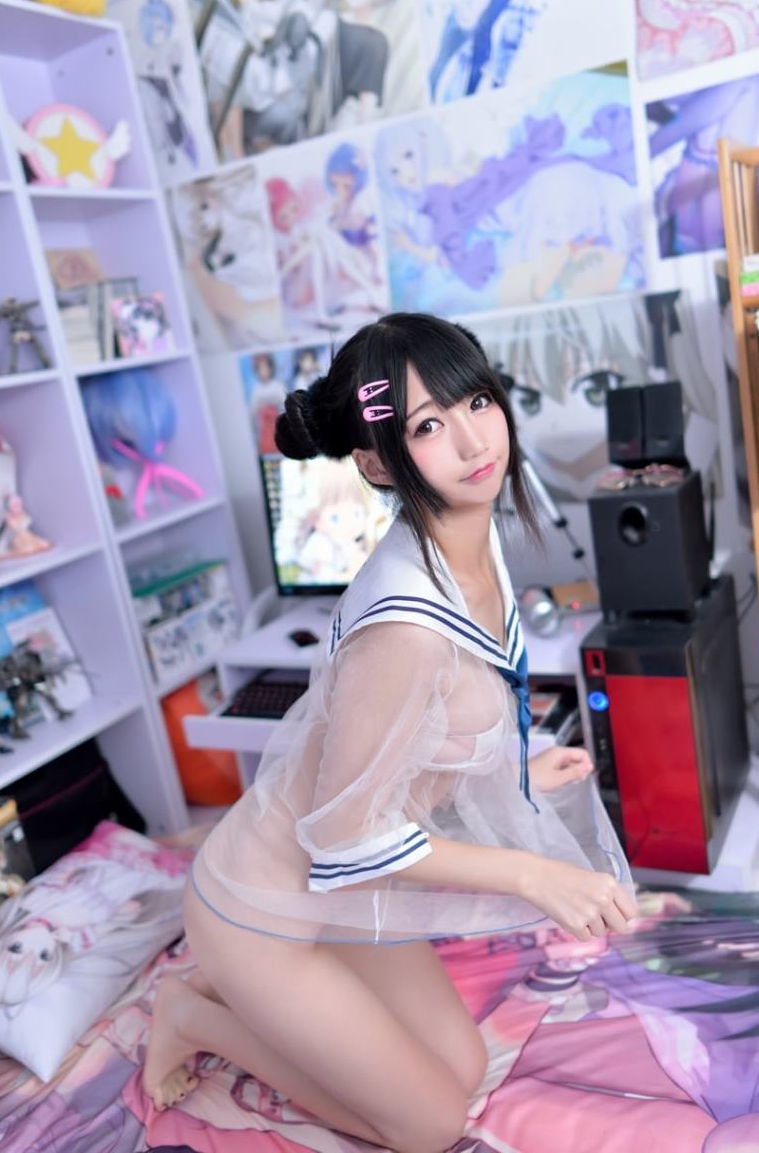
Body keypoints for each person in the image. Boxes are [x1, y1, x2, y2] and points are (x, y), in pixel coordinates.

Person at [142, 313, 636, 1150]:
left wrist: (515, 760)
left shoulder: (469, 542)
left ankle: (243, 1004)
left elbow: (435, 718)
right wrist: (533, 875)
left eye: (475, 402)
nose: (473, 440)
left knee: (461, 1067)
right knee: (429, 1125)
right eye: (426, 427)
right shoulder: (402, 629)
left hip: (336, 888)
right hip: (261, 908)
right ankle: (192, 1014)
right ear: (375, 461)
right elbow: (343, 833)